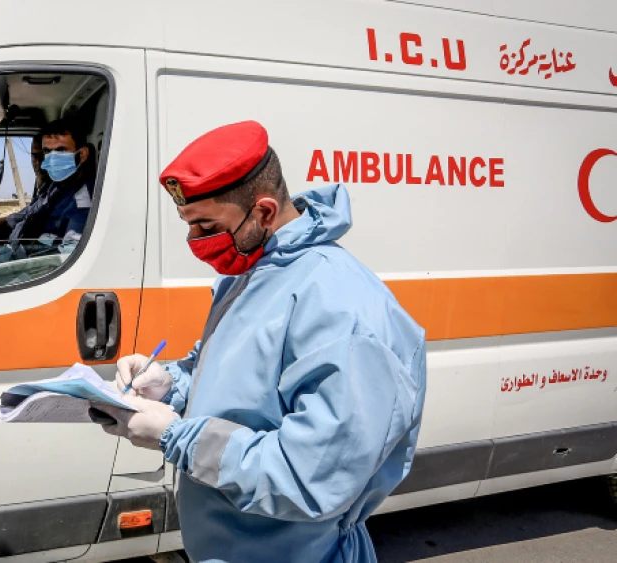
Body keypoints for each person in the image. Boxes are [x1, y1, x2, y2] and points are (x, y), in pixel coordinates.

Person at [93, 121, 427, 563]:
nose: (194, 240)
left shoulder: (340, 303)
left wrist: (175, 436)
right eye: (188, 225)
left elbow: (310, 476)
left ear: (264, 212)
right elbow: (236, 384)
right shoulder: (253, 271)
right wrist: (170, 383)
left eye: (205, 225)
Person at [0, 118, 93, 245]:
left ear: (82, 154)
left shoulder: (83, 202)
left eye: (61, 150)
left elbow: (66, 255)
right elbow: (16, 219)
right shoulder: (52, 188)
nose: (52, 158)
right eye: (47, 151)